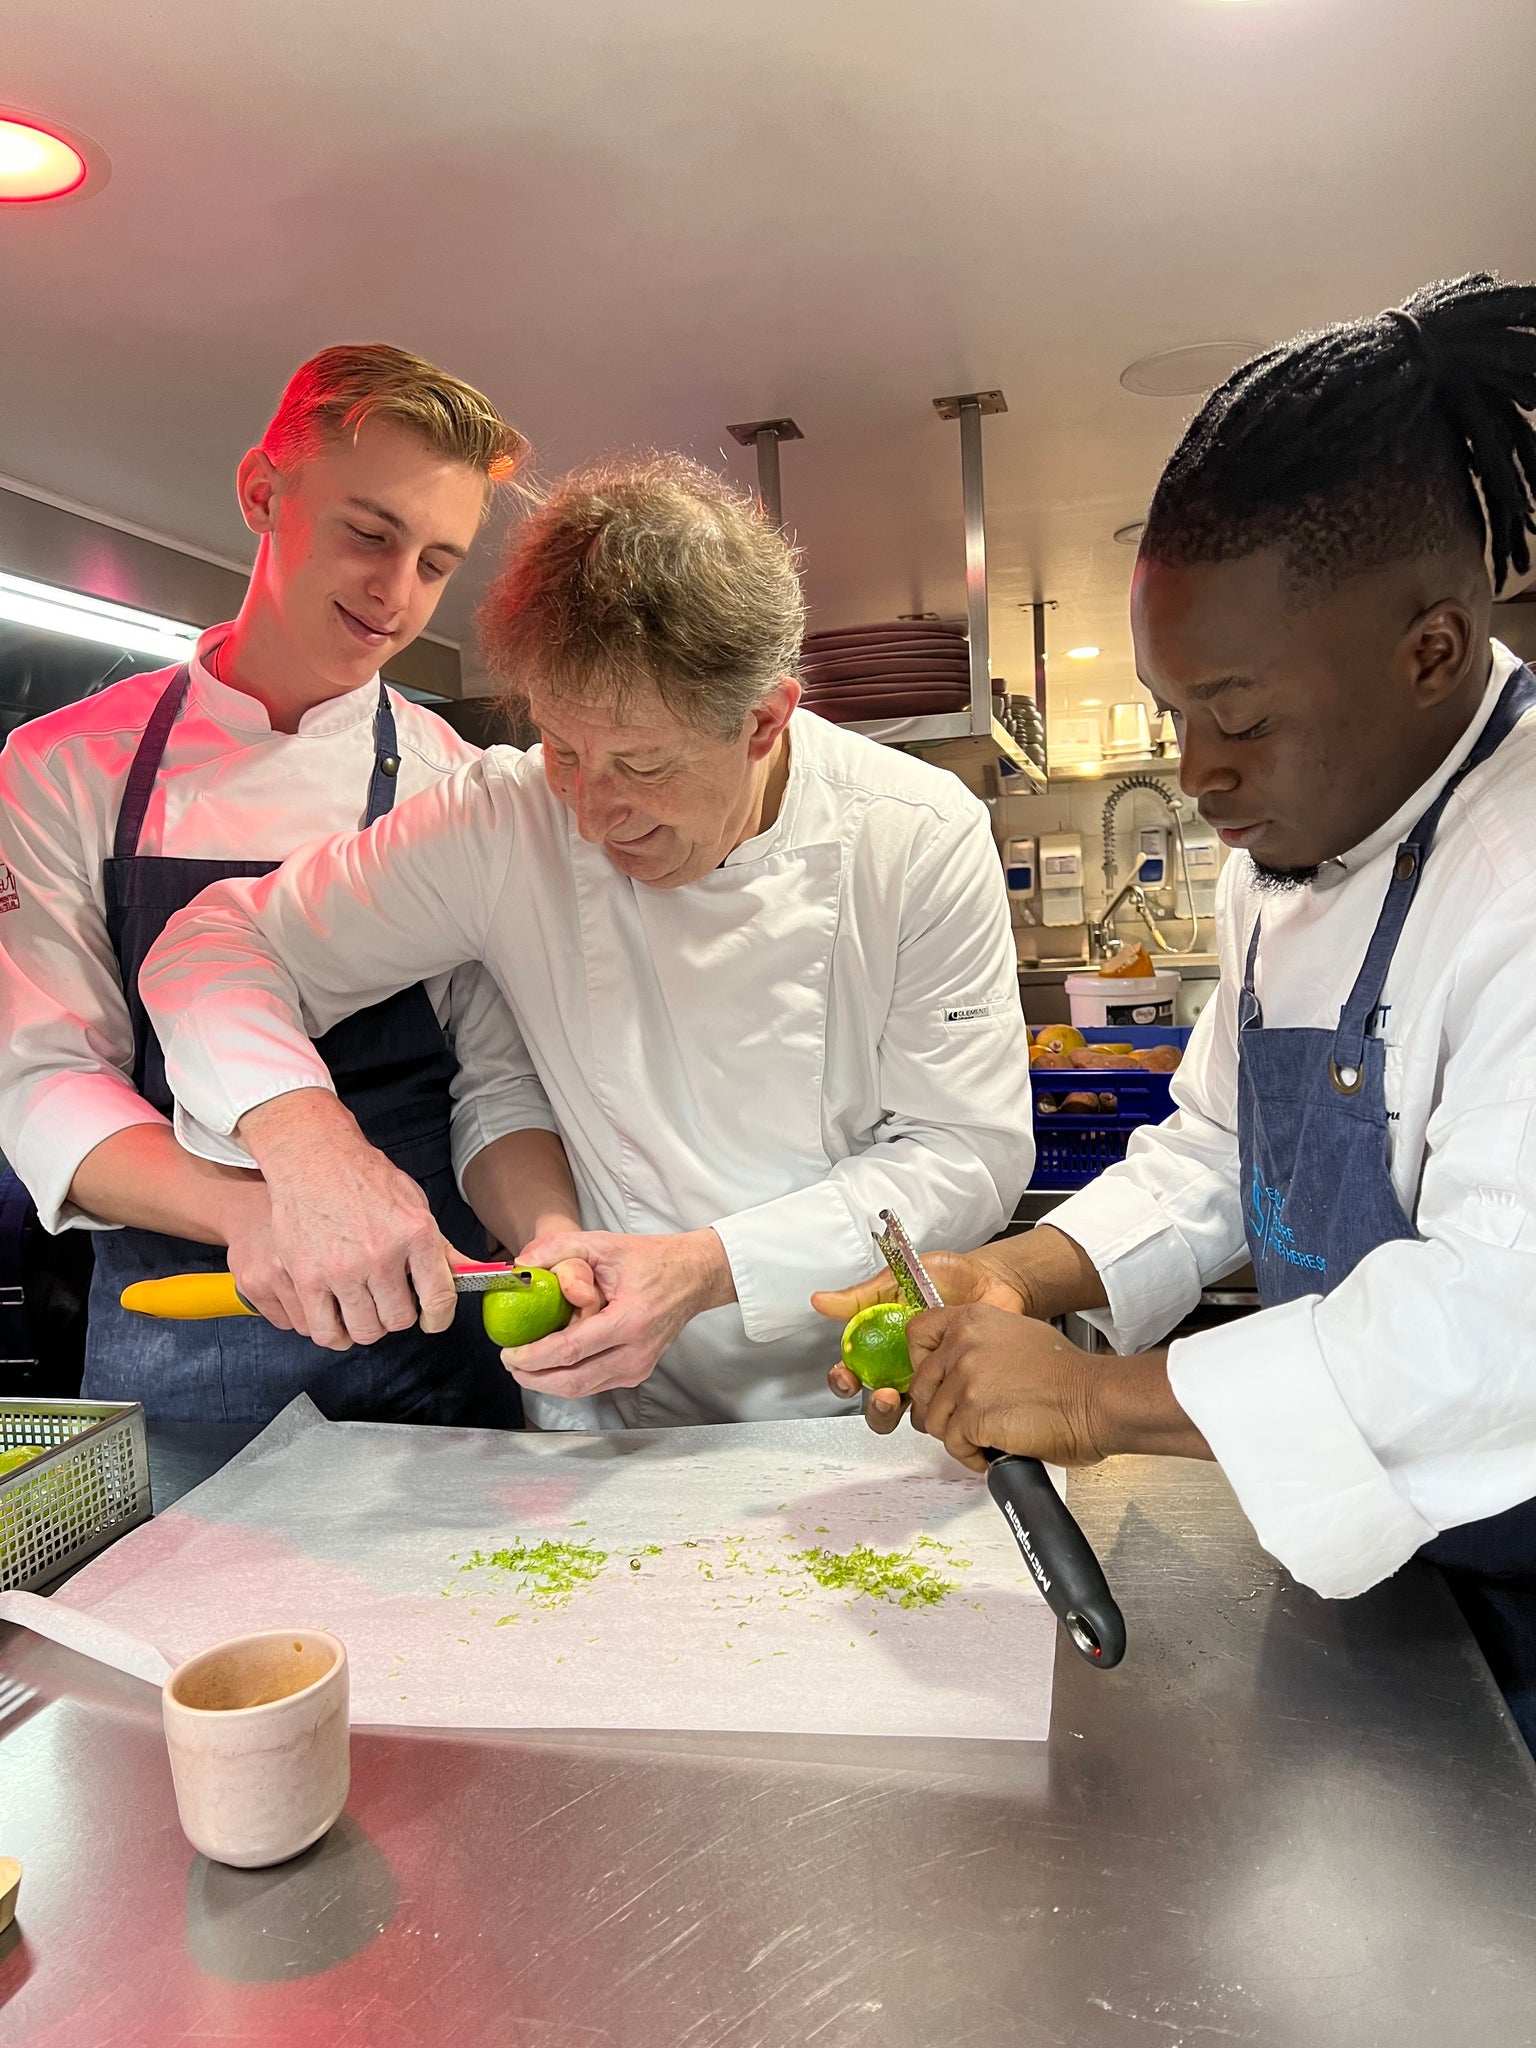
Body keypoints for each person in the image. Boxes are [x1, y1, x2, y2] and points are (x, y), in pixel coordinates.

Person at [818, 273, 1536, 1748]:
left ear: (1433, 651)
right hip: (1376, 1565)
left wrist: (1100, 1405)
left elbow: (1496, 1323)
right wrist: (1016, 1279)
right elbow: (1217, 1155)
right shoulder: (1287, 845)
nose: (1200, 776)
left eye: (1243, 715)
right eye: (1176, 714)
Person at [137, 454, 1034, 1429]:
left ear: (766, 720)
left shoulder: (914, 830)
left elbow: (966, 1149)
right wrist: (306, 1139)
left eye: (642, 765)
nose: (595, 812)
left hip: (855, 1391)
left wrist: (706, 1269)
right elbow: (212, 945)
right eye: (565, 750)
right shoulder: (503, 821)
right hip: (612, 1413)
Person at [0, 343, 595, 1426]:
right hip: (181, 1337)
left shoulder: (456, 785)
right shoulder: (62, 766)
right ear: (261, 492)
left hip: (434, 1343)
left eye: (435, 561)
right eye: (370, 533)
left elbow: (497, 1077)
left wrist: (548, 1227)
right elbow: (43, 1082)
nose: (395, 591)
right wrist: (268, 1208)